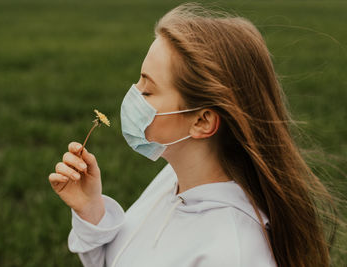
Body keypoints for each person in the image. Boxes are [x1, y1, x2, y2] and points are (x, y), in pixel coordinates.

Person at [48, 3, 337, 267]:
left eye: (147, 90)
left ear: (202, 121)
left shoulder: (230, 254)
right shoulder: (173, 181)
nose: (133, 95)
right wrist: (91, 211)